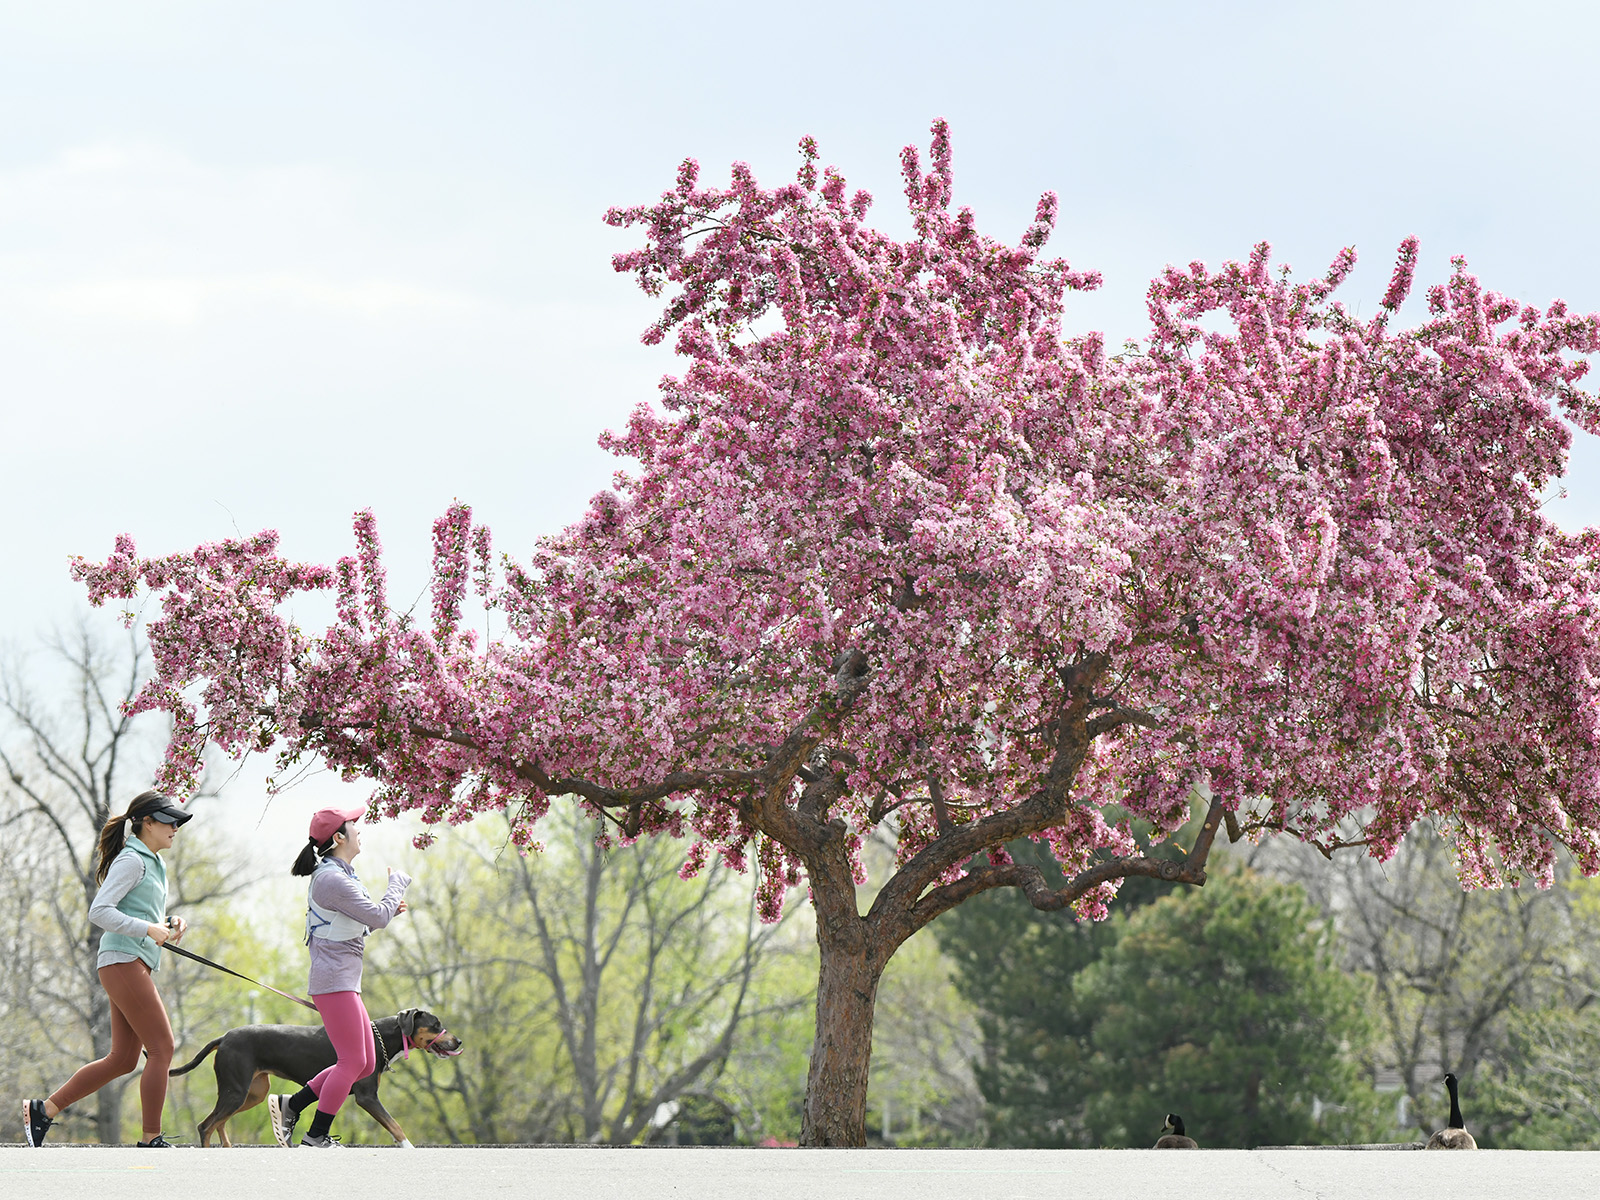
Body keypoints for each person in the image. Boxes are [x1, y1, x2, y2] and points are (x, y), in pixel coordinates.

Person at [24, 791, 194, 1148]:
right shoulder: (133, 860)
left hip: (131, 963)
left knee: (123, 1059)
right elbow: (99, 911)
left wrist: (166, 922)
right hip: (122, 962)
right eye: (169, 821)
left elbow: (135, 910)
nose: (175, 828)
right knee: (162, 1047)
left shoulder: (152, 861)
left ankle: (44, 1110)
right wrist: (148, 929)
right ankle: (151, 1138)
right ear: (147, 822)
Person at [267, 805, 410, 1148]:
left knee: (364, 1063)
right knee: (351, 1062)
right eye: (354, 825)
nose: (360, 829)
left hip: (342, 980)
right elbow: (376, 917)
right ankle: (316, 1136)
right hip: (335, 982)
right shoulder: (332, 878)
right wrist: (396, 887)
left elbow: (348, 927)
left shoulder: (339, 874)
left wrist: (387, 910)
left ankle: (293, 1104)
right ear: (339, 837)